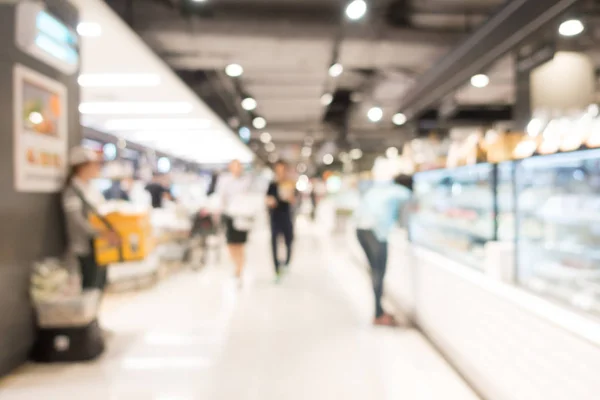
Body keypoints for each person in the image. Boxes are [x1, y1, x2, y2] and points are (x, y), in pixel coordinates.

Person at [354, 157, 412, 327]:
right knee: (379, 272)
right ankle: (378, 314)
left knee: (375, 271)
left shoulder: (380, 189)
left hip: (360, 230)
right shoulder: (404, 193)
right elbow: (405, 221)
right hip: (376, 232)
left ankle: (379, 310)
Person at [62, 146, 119, 290]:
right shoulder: (72, 191)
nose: (97, 167)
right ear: (82, 166)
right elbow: (76, 221)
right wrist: (99, 233)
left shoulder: (91, 188)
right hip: (86, 247)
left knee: (100, 283)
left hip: (100, 245)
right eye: (94, 164)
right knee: (90, 285)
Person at [216, 160, 254, 284]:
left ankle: (239, 268)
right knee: (231, 244)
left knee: (240, 244)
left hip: (242, 216)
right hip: (229, 215)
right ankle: (237, 265)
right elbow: (221, 197)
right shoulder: (224, 180)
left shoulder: (247, 181)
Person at [266, 161, 295, 281]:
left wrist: (290, 197)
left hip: (286, 216)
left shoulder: (290, 184)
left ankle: (286, 263)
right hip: (275, 217)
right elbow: (267, 198)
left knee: (289, 240)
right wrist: (270, 201)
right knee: (274, 241)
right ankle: (276, 267)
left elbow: (294, 199)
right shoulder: (272, 185)